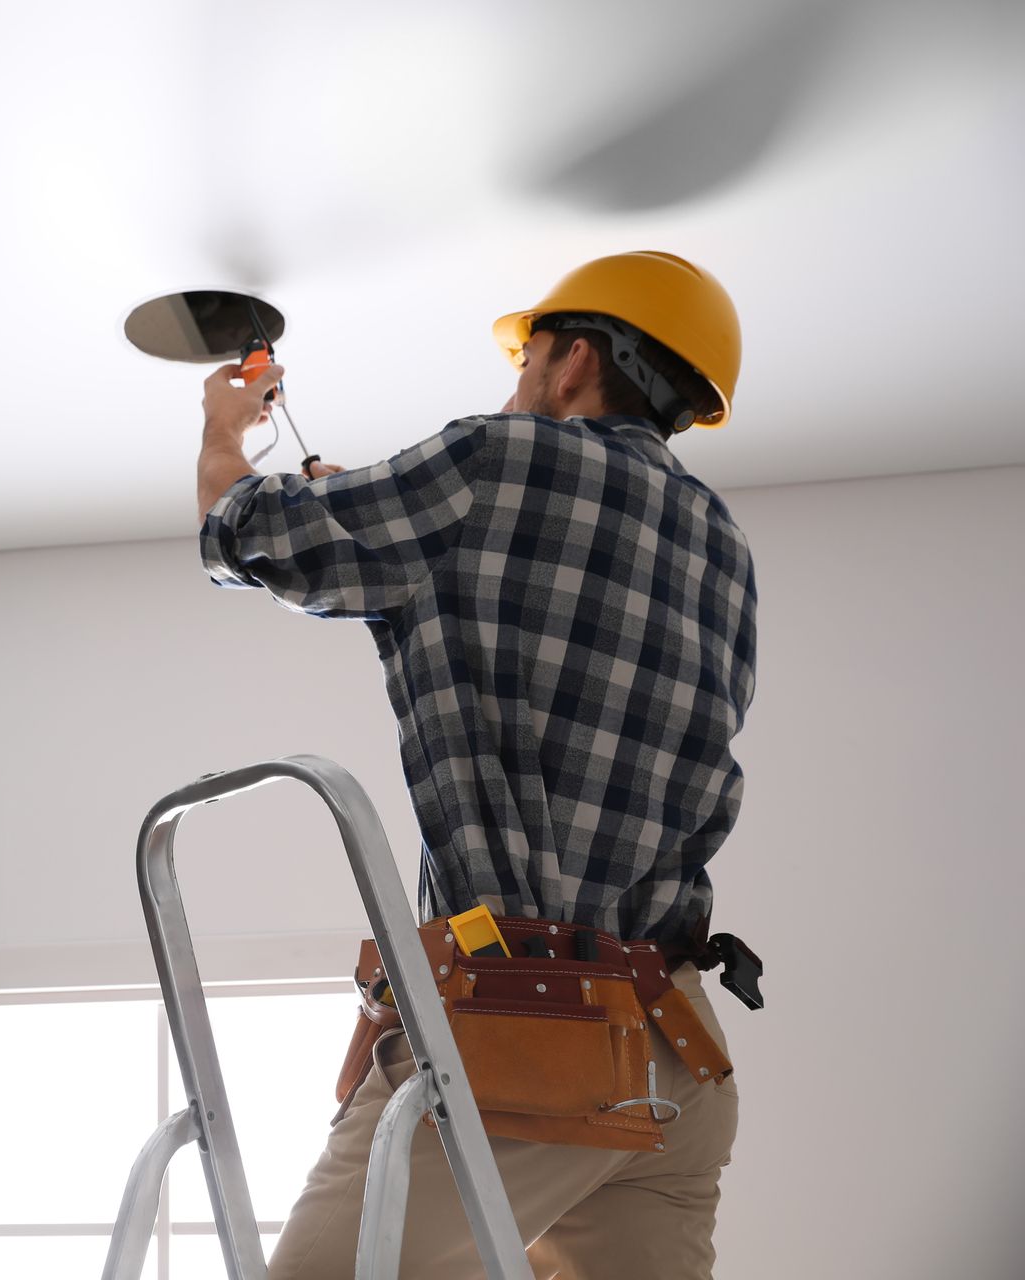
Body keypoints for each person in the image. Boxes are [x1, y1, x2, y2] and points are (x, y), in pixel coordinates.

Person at [195, 251, 757, 1279]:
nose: (516, 381)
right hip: (681, 1050)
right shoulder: (723, 540)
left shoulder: (499, 460)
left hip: (531, 1034)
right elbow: (552, 648)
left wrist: (224, 437)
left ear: (575, 357)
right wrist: (407, 552)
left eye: (527, 355)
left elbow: (247, 537)